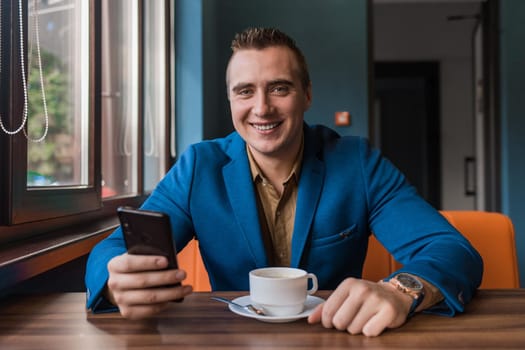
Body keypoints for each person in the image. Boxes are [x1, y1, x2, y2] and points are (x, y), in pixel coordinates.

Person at [85, 27, 482, 336]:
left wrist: (402, 291)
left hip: (335, 338)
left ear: (306, 95)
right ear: (231, 102)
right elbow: (118, 247)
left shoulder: (356, 162)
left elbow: (450, 249)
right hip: (231, 341)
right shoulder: (197, 168)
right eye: (245, 91)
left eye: (279, 88)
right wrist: (115, 280)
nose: (262, 108)